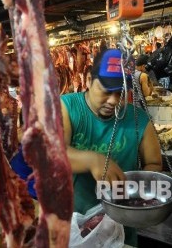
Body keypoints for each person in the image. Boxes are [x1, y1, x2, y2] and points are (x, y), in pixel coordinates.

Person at [61, 49, 163, 247]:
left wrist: (135, 188)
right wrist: (93, 160)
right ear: (89, 79)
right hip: (73, 224)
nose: (114, 101)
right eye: (107, 91)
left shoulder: (138, 119)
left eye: (121, 93)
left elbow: (153, 163)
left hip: (121, 224)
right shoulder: (67, 107)